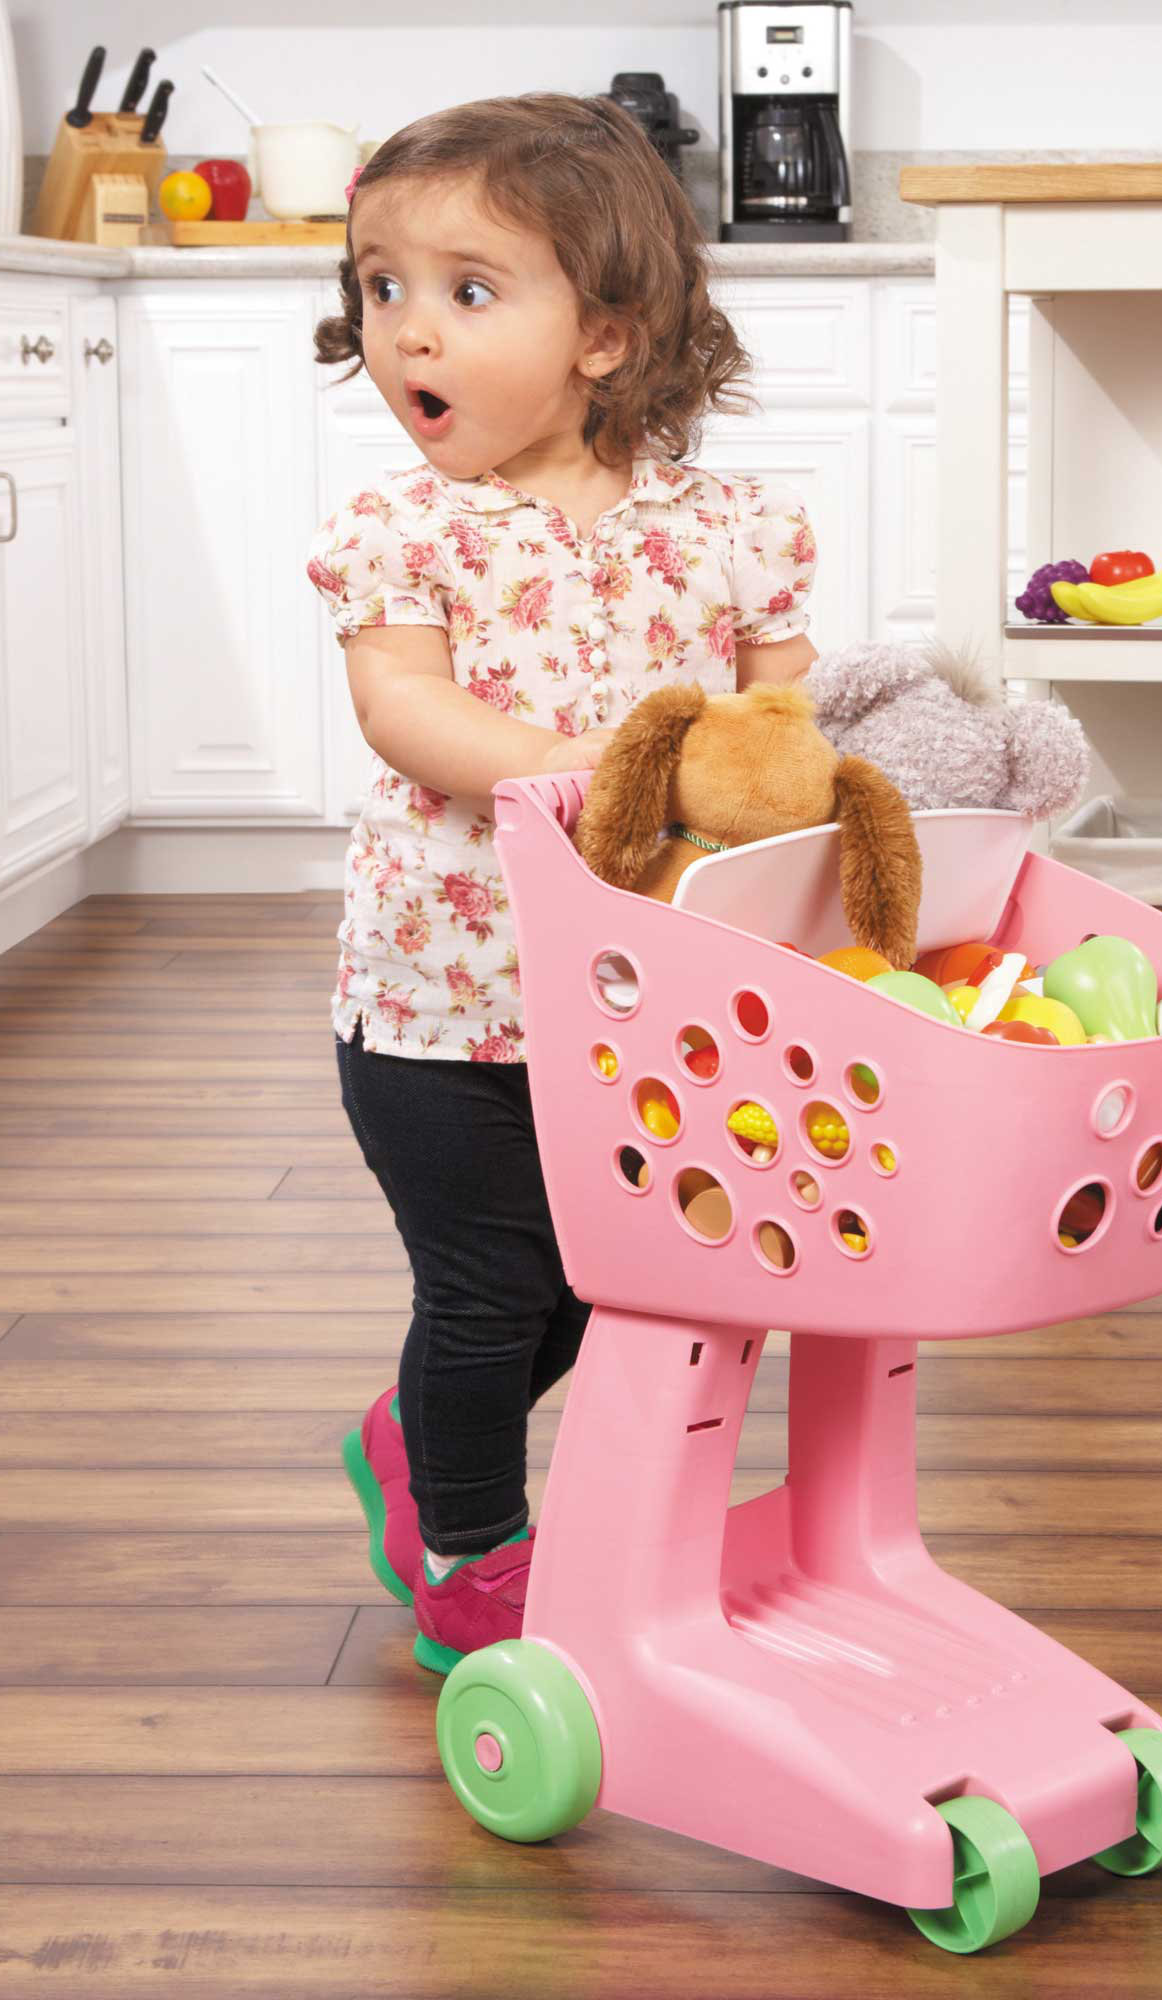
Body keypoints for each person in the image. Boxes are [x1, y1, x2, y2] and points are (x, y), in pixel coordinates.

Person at [307, 93, 818, 1677]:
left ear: (605, 334)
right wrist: (579, 764)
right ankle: (468, 1544)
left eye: (466, 290)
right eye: (381, 288)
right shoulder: (406, 530)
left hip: (648, 996)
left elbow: (787, 726)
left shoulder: (730, 528)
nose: (406, 331)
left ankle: (414, 1436)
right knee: (489, 1286)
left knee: (610, 1284)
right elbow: (403, 706)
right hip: (442, 1001)